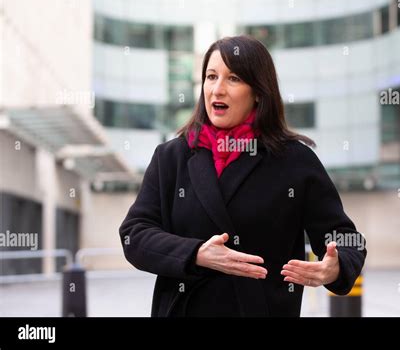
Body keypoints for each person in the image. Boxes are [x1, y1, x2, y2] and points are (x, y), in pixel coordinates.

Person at [119, 35, 367, 317]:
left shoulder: (294, 161)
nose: (217, 89)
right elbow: (134, 234)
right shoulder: (172, 157)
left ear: (259, 91)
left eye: (233, 78)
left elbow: (348, 240)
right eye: (211, 77)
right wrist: (197, 253)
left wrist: (336, 267)